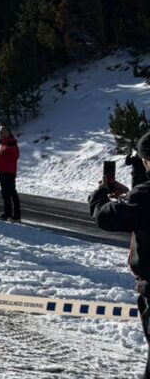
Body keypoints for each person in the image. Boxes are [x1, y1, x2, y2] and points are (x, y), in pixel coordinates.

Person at [90, 131, 150, 379]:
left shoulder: (144, 196)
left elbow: (105, 217)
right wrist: (130, 195)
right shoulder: (142, 196)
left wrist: (99, 195)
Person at [0, 126, 21, 221]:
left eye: (3, 131)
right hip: (2, 171)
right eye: (0, 131)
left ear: (9, 132)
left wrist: (1, 158)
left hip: (8, 171)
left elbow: (13, 156)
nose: (1, 133)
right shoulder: (3, 143)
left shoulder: (11, 142)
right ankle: (7, 213)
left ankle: (17, 216)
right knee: (5, 193)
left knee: (12, 192)